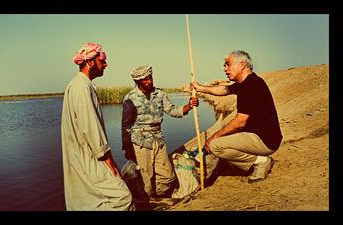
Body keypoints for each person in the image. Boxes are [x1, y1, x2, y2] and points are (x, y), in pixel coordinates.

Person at [191, 50, 283, 183]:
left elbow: (240, 122)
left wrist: (213, 137)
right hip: (258, 135)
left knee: (215, 146)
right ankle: (252, 159)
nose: (225, 69)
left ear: (242, 65)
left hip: (264, 140)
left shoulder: (251, 86)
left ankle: (261, 161)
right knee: (223, 136)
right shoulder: (244, 83)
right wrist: (200, 88)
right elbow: (224, 90)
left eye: (228, 65)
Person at [61, 42, 134, 210]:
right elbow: (90, 127)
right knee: (122, 198)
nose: (106, 65)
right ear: (91, 63)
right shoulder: (81, 87)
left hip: (84, 154)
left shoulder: (80, 85)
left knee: (88, 198)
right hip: (89, 155)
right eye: (103, 61)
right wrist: (110, 162)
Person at [122, 65, 199, 200]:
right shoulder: (130, 98)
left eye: (150, 78)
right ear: (138, 82)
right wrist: (127, 149)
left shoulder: (160, 94)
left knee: (167, 176)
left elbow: (173, 110)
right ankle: (148, 201)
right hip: (140, 142)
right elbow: (125, 126)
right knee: (146, 177)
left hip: (158, 139)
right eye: (145, 80)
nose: (149, 82)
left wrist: (189, 106)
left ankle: (159, 196)